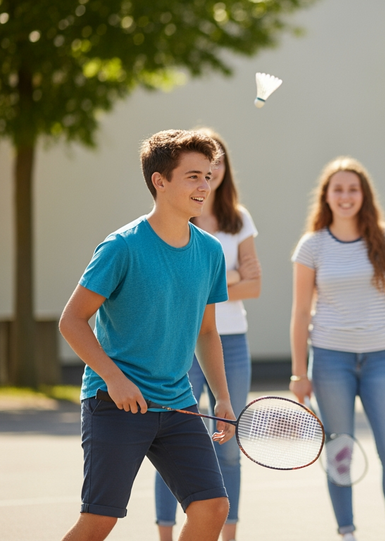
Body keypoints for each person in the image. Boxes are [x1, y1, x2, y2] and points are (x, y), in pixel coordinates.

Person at [58, 129, 233, 541]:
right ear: (160, 180)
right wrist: (115, 379)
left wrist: (221, 394)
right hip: (116, 402)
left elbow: (207, 332)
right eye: (193, 176)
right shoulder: (121, 247)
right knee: (99, 521)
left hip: (178, 404)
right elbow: (72, 320)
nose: (205, 186)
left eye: (208, 176)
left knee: (212, 508)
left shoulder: (209, 252)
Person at [289, 156, 385, 541]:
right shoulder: (311, 246)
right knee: (340, 454)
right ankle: (346, 533)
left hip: (381, 358)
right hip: (330, 361)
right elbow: (300, 313)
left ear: (363, 195)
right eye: (339, 189)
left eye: (353, 189)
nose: (346, 196)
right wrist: (299, 373)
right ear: (327, 197)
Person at [153, 128, 262, 541]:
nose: (206, 176)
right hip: (183, 343)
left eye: (213, 166)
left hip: (231, 342)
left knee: (228, 446)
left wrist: (206, 282)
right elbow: (172, 283)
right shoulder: (176, 216)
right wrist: (226, 278)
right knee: (171, 444)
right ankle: (167, 534)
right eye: (196, 170)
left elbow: (255, 285)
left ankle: (226, 534)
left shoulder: (239, 218)